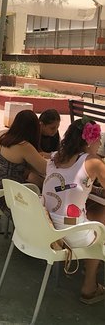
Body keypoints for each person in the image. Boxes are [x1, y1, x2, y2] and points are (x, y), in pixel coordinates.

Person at [42, 118, 105, 304]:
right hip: (71, 234)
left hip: (48, 228)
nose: (100, 143)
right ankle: (89, 286)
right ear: (89, 141)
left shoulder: (54, 157)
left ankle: (88, 266)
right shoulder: (93, 161)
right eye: (99, 139)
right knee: (100, 225)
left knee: (97, 213)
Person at [0, 110, 47, 212]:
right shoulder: (24, 146)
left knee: (34, 179)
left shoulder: (3, 137)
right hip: (6, 195)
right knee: (40, 185)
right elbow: (45, 169)